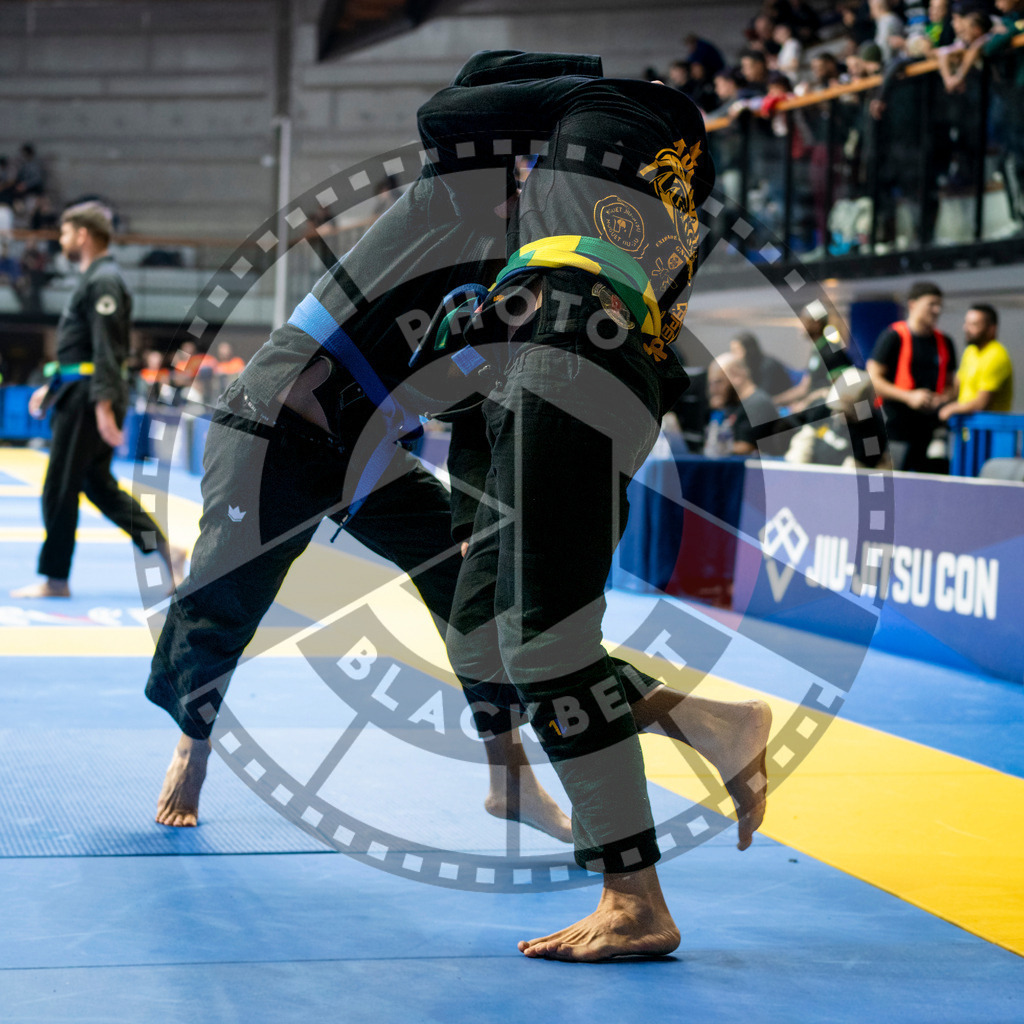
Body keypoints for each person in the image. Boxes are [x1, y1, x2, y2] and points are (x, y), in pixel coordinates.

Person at [144, 51, 611, 836]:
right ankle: (192, 747)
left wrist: (470, 529)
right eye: (533, 174)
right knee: (225, 604)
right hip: (271, 431)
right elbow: (457, 101)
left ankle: (511, 780)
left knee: (468, 597)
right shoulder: (443, 204)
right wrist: (590, 89)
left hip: (366, 457)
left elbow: (473, 415)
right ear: (518, 167)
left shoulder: (513, 273)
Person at [420, 62, 770, 962]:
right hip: (565, 364)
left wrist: (562, 75)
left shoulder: (606, 103)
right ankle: (713, 724)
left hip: (566, 352)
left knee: (542, 639)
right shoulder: (673, 193)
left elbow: (447, 112)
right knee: (483, 632)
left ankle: (633, 897)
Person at [11, 202, 184, 599]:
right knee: (98, 484)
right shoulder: (95, 278)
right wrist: (52, 387)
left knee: (60, 485)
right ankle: (164, 549)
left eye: (65, 232)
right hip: (81, 393)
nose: (61, 239)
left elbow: (107, 351)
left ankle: (55, 579)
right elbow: (80, 353)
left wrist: (104, 406)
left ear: (83, 235)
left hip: (90, 401)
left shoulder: (103, 280)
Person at [867, 281, 957, 472]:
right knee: (895, 484)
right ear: (913, 304)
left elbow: (952, 385)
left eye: (939, 305)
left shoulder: (945, 342)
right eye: (931, 304)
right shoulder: (893, 337)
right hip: (896, 429)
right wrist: (909, 397)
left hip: (931, 432)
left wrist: (943, 398)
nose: (936, 310)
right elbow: (873, 380)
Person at [938, 303, 1014, 420]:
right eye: (966, 323)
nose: (966, 328)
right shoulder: (970, 351)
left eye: (974, 324)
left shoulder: (996, 355)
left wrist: (950, 409)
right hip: (970, 432)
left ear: (991, 329)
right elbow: (956, 388)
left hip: (991, 432)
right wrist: (939, 399)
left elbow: (981, 403)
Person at [705, 352, 790, 456]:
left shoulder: (758, 404)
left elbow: (747, 447)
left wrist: (717, 446)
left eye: (718, 382)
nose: (713, 390)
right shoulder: (733, 404)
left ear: (736, 375)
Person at [729, 331, 794, 400]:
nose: (733, 355)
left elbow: (763, 395)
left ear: (749, 350)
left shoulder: (767, 366)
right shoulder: (747, 367)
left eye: (736, 350)